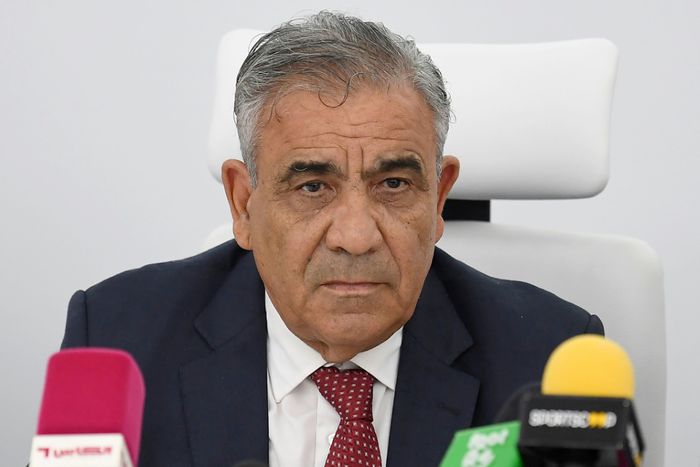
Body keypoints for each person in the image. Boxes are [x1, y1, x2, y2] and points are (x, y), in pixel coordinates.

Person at [61, 11, 603, 467]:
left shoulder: (548, 362)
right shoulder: (117, 343)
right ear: (244, 203)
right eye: (313, 187)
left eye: (394, 184)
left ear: (438, 199)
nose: (356, 237)